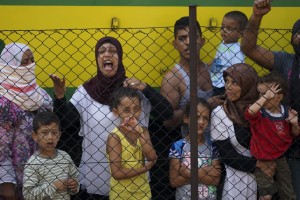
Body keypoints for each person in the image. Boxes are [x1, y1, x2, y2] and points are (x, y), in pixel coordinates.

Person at [49, 36, 173, 199]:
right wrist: (59, 97)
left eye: (113, 51)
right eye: (101, 51)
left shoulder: (133, 90)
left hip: (134, 181)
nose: (107, 55)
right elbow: (64, 122)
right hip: (96, 174)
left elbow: (167, 113)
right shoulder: (86, 91)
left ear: (120, 57)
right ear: (97, 58)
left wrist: (146, 88)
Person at [241, 0, 300, 198]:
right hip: (292, 149)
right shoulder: (286, 61)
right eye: (297, 34)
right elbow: (249, 49)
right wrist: (257, 16)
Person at [210, 63, 276, 199]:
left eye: (235, 82)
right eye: (226, 81)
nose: (228, 86)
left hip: (265, 177)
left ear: (248, 85)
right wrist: (259, 164)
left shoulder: (261, 109)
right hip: (234, 180)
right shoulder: (220, 113)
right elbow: (227, 154)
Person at [0, 43, 53, 200]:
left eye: (32, 60)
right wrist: (6, 185)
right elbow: (1, 149)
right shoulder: (4, 102)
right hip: (16, 183)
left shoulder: (38, 93)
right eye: (24, 61)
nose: (30, 65)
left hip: (41, 178)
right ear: (11, 65)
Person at [245, 72, 299, 200]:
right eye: (260, 94)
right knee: (266, 196)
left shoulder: (286, 112)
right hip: (262, 157)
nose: (261, 97)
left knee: (288, 192)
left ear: (279, 97)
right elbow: (249, 113)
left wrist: (295, 124)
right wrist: (265, 97)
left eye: (267, 94)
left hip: (281, 157)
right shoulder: (259, 112)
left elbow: (294, 134)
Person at [106, 87, 157, 200]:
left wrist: (139, 134)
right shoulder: (115, 137)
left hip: (143, 194)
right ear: (116, 112)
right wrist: (144, 169)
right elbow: (117, 173)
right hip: (121, 196)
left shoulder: (143, 131)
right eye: (126, 110)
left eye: (136, 109)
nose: (132, 114)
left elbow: (152, 156)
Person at [169, 98, 221, 200]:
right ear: (186, 118)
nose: (201, 122)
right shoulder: (178, 146)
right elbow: (174, 181)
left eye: (205, 118)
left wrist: (188, 173)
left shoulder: (212, 147)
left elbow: (215, 181)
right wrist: (203, 172)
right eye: (197, 117)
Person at [23, 111, 79, 200]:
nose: (50, 137)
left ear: (59, 135)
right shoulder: (32, 163)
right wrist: (53, 186)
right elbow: (28, 195)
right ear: (35, 136)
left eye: (54, 132)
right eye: (45, 132)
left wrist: (74, 185)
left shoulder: (65, 156)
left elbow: (75, 177)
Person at [210, 11, 248, 95]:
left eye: (229, 29)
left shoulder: (237, 50)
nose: (224, 30)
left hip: (224, 86)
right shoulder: (223, 43)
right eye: (222, 27)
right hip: (214, 82)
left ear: (240, 33)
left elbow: (238, 70)